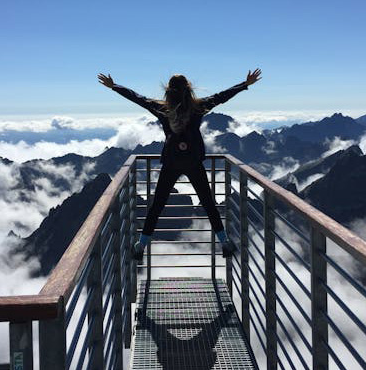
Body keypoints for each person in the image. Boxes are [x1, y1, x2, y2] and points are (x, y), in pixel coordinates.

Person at [97, 69, 262, 260]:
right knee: (208, 203)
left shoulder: (162, 109)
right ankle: (224, 242)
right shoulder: (198, 107)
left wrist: (114, 86)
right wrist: (245, 84)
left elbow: (138, 98)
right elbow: (221, 97)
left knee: (157, 204)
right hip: (193, 162)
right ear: (188, 89)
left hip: (171, 162)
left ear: (168, 90)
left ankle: (141, 245)